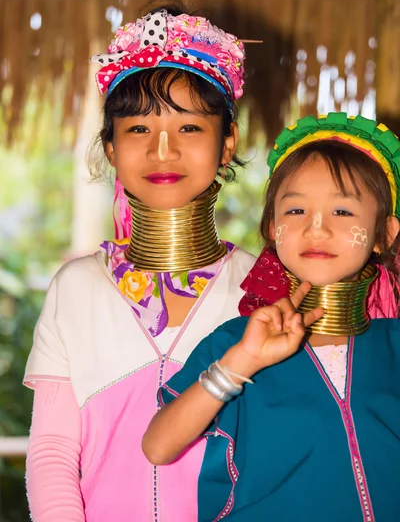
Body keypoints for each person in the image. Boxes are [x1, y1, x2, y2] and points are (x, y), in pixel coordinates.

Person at [24, 0, 256, 521]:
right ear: (110, 147)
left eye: (191, 128)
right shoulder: (76, 289)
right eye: (137, 129)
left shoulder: (262, 288)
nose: (162, 150)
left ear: (227, 143)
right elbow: (54, 452)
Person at [143, 113, 400, 522]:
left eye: (342, 211)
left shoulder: (394, 345)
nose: (316, 229)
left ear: (384, 235)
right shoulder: (236, 341)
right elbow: (158, 446)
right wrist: (242, 362)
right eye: (296, 210)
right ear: (271, 225)